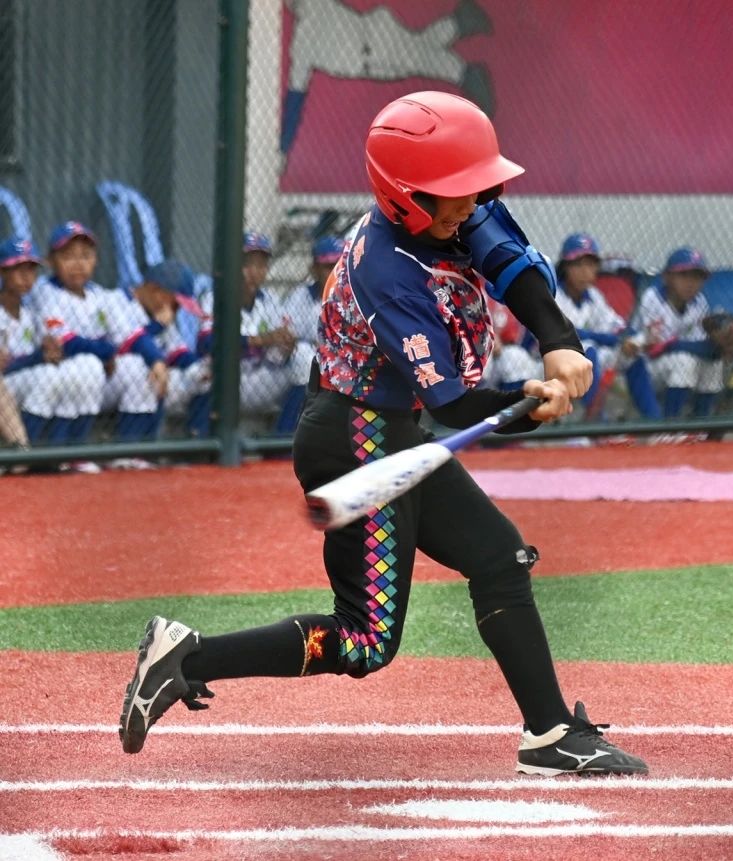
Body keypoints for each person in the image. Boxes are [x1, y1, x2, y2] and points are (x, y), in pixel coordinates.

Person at [119, 91, 648, 777]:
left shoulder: (452, 212)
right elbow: (453, 404)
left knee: (497, 556)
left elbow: (511, 265)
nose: (471, 203)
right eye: (454, 192)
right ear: (406, 197)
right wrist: (526, 399)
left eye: (473, 187)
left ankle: (550, 734)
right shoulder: (388, 272)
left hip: (390, 428)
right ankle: (187, 655)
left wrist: (559, 340)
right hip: (354, 433)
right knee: (366, 640)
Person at [199, 232, 313, 435]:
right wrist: (261, 339)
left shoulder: (269, 299)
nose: (254, 272)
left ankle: (281, 440)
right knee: (203, 370)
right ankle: (201, 441)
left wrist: (286, 346)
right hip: (224, 384)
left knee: (305, 355)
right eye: (247, 264)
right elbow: (207, 342)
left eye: (261, 265)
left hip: (260, 380)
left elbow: (279, 349)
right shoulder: (215, 298)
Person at [28, 222, 125, 455]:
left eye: (86, 256)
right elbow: (66, 342)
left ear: (96, 260)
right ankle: (60, 450)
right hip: (54, 367)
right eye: (68, 256)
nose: (78, 264)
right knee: (86, 366)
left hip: (97, 372)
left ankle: (129, 450)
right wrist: (105, 351)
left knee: (134, 369)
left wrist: (108, 351)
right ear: (51, 261)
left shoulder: (98, 294)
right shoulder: (45, 291)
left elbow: (122, 337)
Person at [631, 247, 733, 418]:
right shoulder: (653, 298)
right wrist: (702, 347)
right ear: (667, 277)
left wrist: (717, 346)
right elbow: (659, 347)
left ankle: (700, 424)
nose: (691, 283)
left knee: (713, 363)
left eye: (697, 277)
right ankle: (669, 427)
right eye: (684, 275)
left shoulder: (699, 302)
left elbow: (698, 344)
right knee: (684, 360)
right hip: (643, 369)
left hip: (674, 365)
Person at [114, 260, 214, 439]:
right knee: (143, 371)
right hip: (114, 381)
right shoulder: (118, 301)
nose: (177, 311)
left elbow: (179, 353)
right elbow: (127, 345)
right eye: (175, 304)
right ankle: (129, 449)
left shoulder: (159, 312)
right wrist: (157, 326)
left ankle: (197, 445)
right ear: (155, 290)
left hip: (151, 382)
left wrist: (201, 369)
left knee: (206, 379)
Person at [552, 232, 644, 415]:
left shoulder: (594, 296)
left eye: (591, 264)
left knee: (632, 356)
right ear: (564, 267)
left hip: (581, 364)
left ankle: (655, 426)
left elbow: (617, 327)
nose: (585, 271)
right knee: (588, 349)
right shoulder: (553, 294)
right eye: (578, 264)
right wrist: (615, 340)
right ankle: (590, 422)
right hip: (544, 362)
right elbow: (569, 334)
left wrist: (631, 338)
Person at [0, 237, 53, 449]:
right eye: (18, 269)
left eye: (31, 270)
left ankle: (37, 448)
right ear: (2, 272)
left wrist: (50, 351)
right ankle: (24, 451)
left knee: (55, 375)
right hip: (7, 384)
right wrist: (37, 357)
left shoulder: (32, 314)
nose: (26, 277)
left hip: (23, 382)